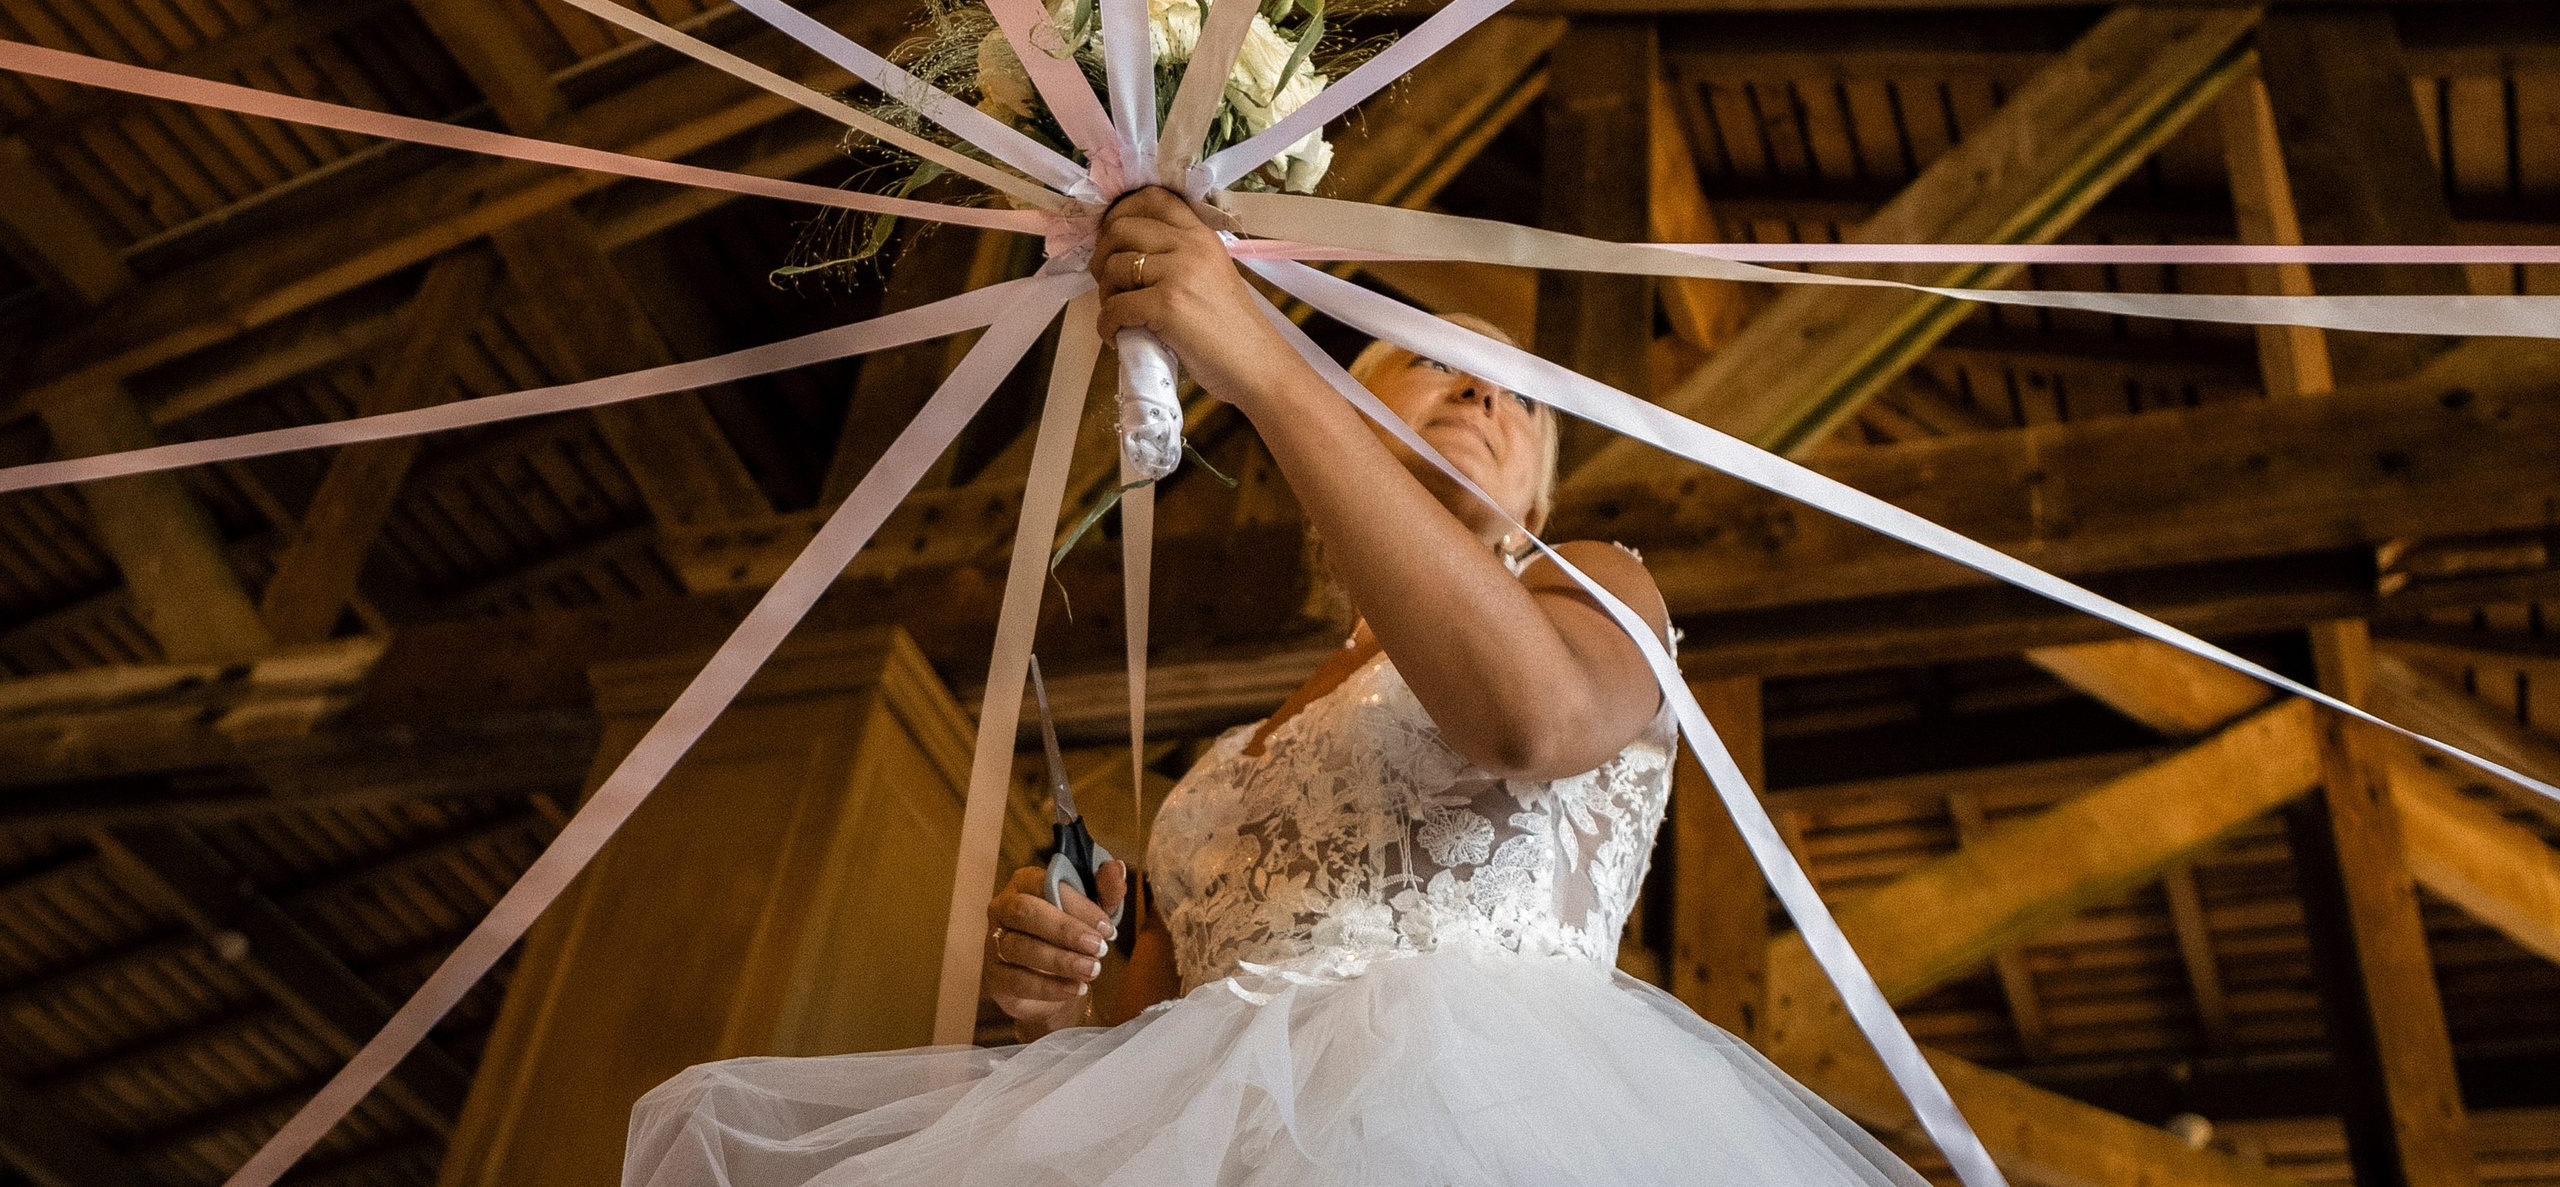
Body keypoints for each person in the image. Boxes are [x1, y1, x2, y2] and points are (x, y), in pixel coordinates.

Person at [625, 188, 1923, 1187]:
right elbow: (1151, 1021)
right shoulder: (1227, 756)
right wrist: (1057, 991)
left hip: (1481, 1118)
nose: (1484, 387)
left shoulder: (1595, 585)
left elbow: (1531, 721)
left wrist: (1261, 361)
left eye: (1523, 403)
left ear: (1534, 497)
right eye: (1432, 359)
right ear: (1355, 415)